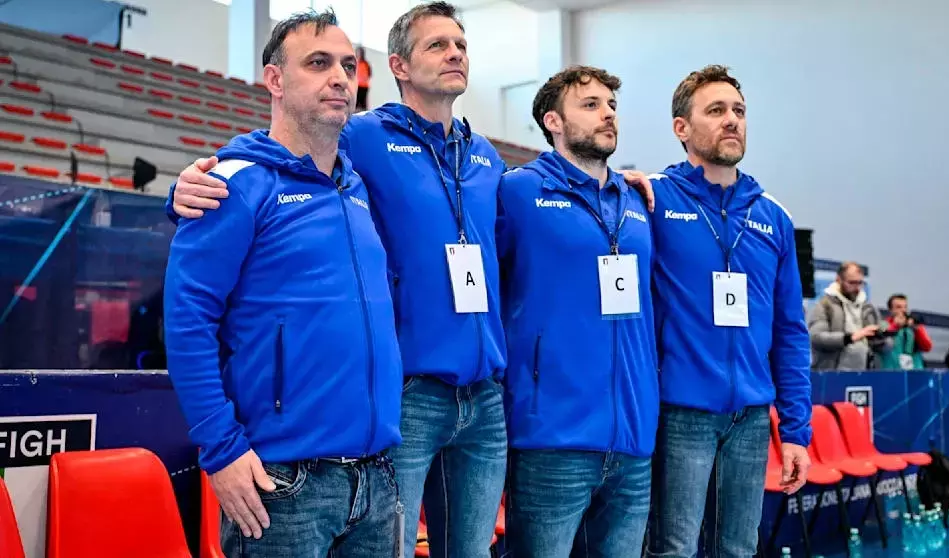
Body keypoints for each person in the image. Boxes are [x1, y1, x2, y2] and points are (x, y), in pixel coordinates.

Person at [165, 5, 654, 555]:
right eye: (437, 45)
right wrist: (191, 184)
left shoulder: (485, 158)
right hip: (410, 393)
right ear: (398, 66)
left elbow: (545, 208)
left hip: (482, 397)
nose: (455, 54)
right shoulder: (362, 137)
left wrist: (612, 184)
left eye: (461, 45)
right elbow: (285, 152)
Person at [163, 9, 402, 557]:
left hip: (376, 479)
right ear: (274, 78)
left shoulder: (357, 190)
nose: (339, 78)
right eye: (318, 63)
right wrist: (221, 449)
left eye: (347, 65)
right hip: (281, 482)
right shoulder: (233, 183)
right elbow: (187, 321)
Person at [644, 65, 812, 558]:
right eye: (716, 110)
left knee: (738, 550)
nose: (732, 120)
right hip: (680, 412)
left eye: (738, 110)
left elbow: (790, 332)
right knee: (673, 550)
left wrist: (796, 431)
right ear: (681, 127)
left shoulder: (772, 216)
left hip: (751, 417)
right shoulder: (651, 199)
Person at [497, 66, 657, 557]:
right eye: (590, 105)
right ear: (554, 122)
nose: (607, 114)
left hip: (632, 442)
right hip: (552, 438)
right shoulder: (517, 192)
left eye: (611, 105)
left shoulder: (636, 200)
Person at [808, 261, 892, 370]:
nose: (857, 287)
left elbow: (887, 346)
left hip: (865, 371)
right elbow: (816, 337)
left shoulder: (868, 308)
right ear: (838, 280)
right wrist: (850, 337)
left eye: (860, 283)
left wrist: (881, 338)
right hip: (833, 373)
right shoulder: (825, 305)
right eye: (852, 283)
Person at [879, 293, 933, 370]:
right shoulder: (883, 324)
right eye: (898, 307)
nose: (903, 310)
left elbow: (927, 347)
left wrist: (917, 329)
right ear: (891, 310)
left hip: (914, 371)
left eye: (905, 307)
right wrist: (895, 325)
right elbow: (881, 339)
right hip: (891, 371)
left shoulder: (915, 325)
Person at [357, 45, 371, 111]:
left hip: (364, 86)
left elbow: (369, 74)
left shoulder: (366, 64)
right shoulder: (355, 63)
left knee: (363, 104)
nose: (358, 54)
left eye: (360, 53)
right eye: (357, 52)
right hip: (357, 85)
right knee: (356, 103)